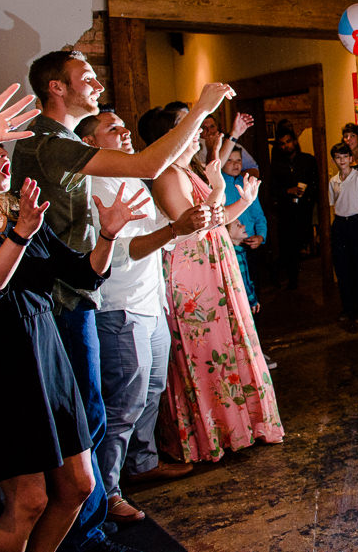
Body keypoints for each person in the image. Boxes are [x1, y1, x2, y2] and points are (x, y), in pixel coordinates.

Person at [11, 50, 235, 552]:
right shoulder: (48, 141)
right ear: (56, 89)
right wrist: (200, 108)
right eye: (84, 77)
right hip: (63, 299)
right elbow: (151, 162)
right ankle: (89, 535)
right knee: (89, 418)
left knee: (90, 416)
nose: (96, 83)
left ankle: (89, 525)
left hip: (78, 289)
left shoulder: (61, 141)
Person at [0, 146, 145, 552]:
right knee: (28, 501)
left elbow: (84, 274)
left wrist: (108, 234)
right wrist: (20, 236)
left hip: (46, 354)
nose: (4, 156)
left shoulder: (18, 212)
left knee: (80, 484)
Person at [74, 112, 208, 522]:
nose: (125, 133)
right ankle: (107, 494)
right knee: (122, 404)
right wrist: (172, 230)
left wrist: (186, 225)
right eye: (113, 129)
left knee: (151, 391)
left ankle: (142, 463)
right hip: (119, 305)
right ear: (91, 143)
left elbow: (159, 238)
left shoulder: (133, 179)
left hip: (150, 298)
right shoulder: (96, 184)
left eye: (123, 126)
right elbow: (120, 252)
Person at [136, 109, 284, 464]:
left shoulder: (192, 170)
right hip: (193, 275)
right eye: (188, 123)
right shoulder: (167, 176)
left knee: (227, 344)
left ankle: (240, 426)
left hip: (215, 266)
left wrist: (243, 202)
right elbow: (195, 225)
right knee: (206, 350)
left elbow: (218, 220)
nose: (199, 129)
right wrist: (219, 187)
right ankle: (211, 435)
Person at [328, 141, 358, 324]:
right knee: (343, 268)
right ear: (334, 160)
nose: (342, 160)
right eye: (338, 158)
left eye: (345, 157)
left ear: (351, 158)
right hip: (340, 224)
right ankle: (347, 308)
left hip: (356, 222)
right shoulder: (333, 181)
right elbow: (334, 206)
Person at [270, 126, 318, 290]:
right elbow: (272, 190)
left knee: (301, 243)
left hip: (304, 208)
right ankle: (291, 280)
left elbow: (315, 183)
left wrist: (307, 194)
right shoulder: (276, 165)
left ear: (295, 141)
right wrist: (287, 191)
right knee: (287, 246)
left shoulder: (307, 160)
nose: (286, 146)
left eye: (288, 142)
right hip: (285, 210)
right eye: (282, 144)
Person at [223, 148, 267, 315]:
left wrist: (261, 236)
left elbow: (258, 215)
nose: (235, 164)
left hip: (250, 244)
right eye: (230, 160)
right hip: (231, 246)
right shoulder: (219, 186)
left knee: (252, 283)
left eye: (238, 160)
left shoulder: (245, 183)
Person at [197, 113, 259, 177]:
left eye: (212, 126)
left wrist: (234, 179)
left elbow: (254, 170)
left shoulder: (234, 146)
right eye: (204, 128)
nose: (209, 131)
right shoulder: (195, 149)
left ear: (217, 127)